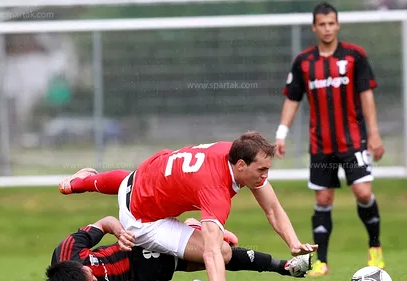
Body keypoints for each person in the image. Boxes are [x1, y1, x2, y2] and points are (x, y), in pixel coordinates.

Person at [58, 131, 318, 281]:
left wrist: (293, 243)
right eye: (261, 170)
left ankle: (80, 182)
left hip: (145, 176)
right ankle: (191, 227)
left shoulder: (234, 151)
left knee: (135, 181)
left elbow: (272, 208)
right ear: (241, 165)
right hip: (141, 222)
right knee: (224, 250)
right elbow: (213, 254)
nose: (265, 175)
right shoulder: (215, 190)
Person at [274, 2, 385, 276]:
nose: (327, 28)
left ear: (338, 24)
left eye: (331, 23)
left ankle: (375, 250)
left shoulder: (354, 56)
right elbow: (292, 98)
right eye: (321, 24)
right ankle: (321, 261)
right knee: (323, 199)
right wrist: (281, 133)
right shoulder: (304, 62)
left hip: (354, 141)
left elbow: (366, 96)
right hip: (321, 145)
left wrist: (373, 133)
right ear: (314, 27)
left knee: (363, 192)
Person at [46, 215, 312, 281]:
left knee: (224, 251)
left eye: (90, 277)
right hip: (146, 276)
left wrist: (119, 232)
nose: (95, 278)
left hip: (141, 248)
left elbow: (105, 223)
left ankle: (284, 267)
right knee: (216, 254)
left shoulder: (68, 250)